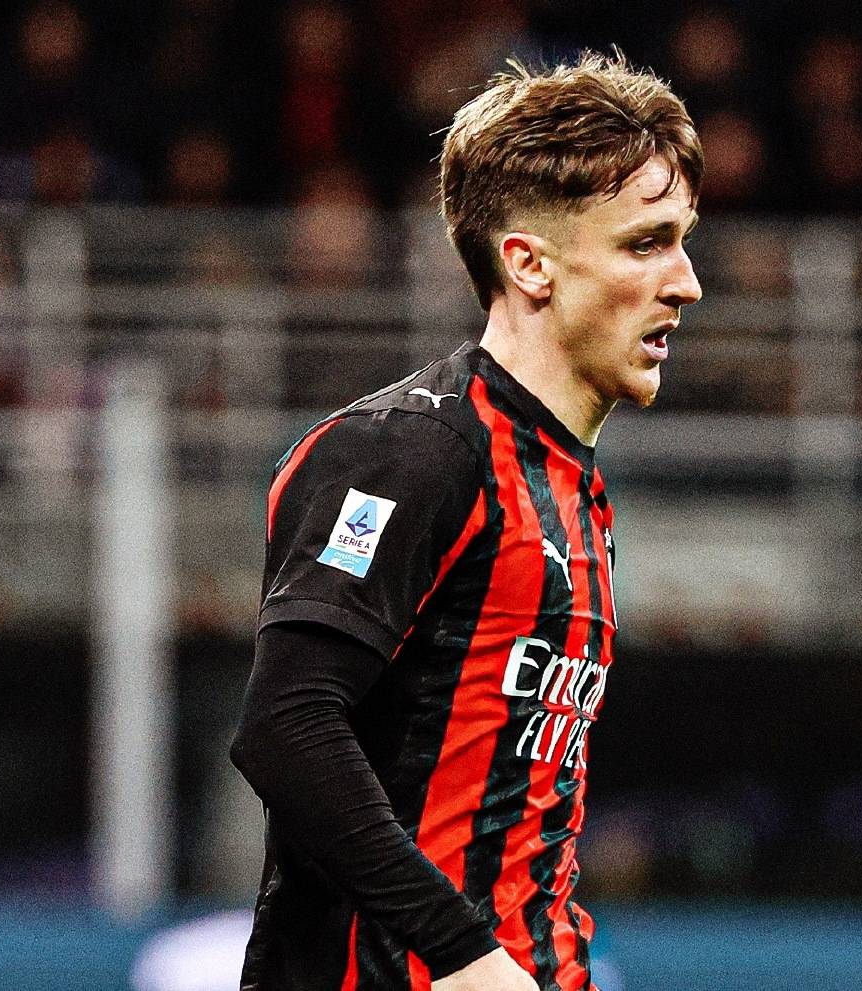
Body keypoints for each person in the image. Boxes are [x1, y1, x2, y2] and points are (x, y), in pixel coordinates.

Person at [228, 52, 703, 991]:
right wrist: (467, 959)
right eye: (645, 244)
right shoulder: (409, 453)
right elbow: (285, 724)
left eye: (682, 242)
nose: (685, 282)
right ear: (528, 263)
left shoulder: (571, 488)